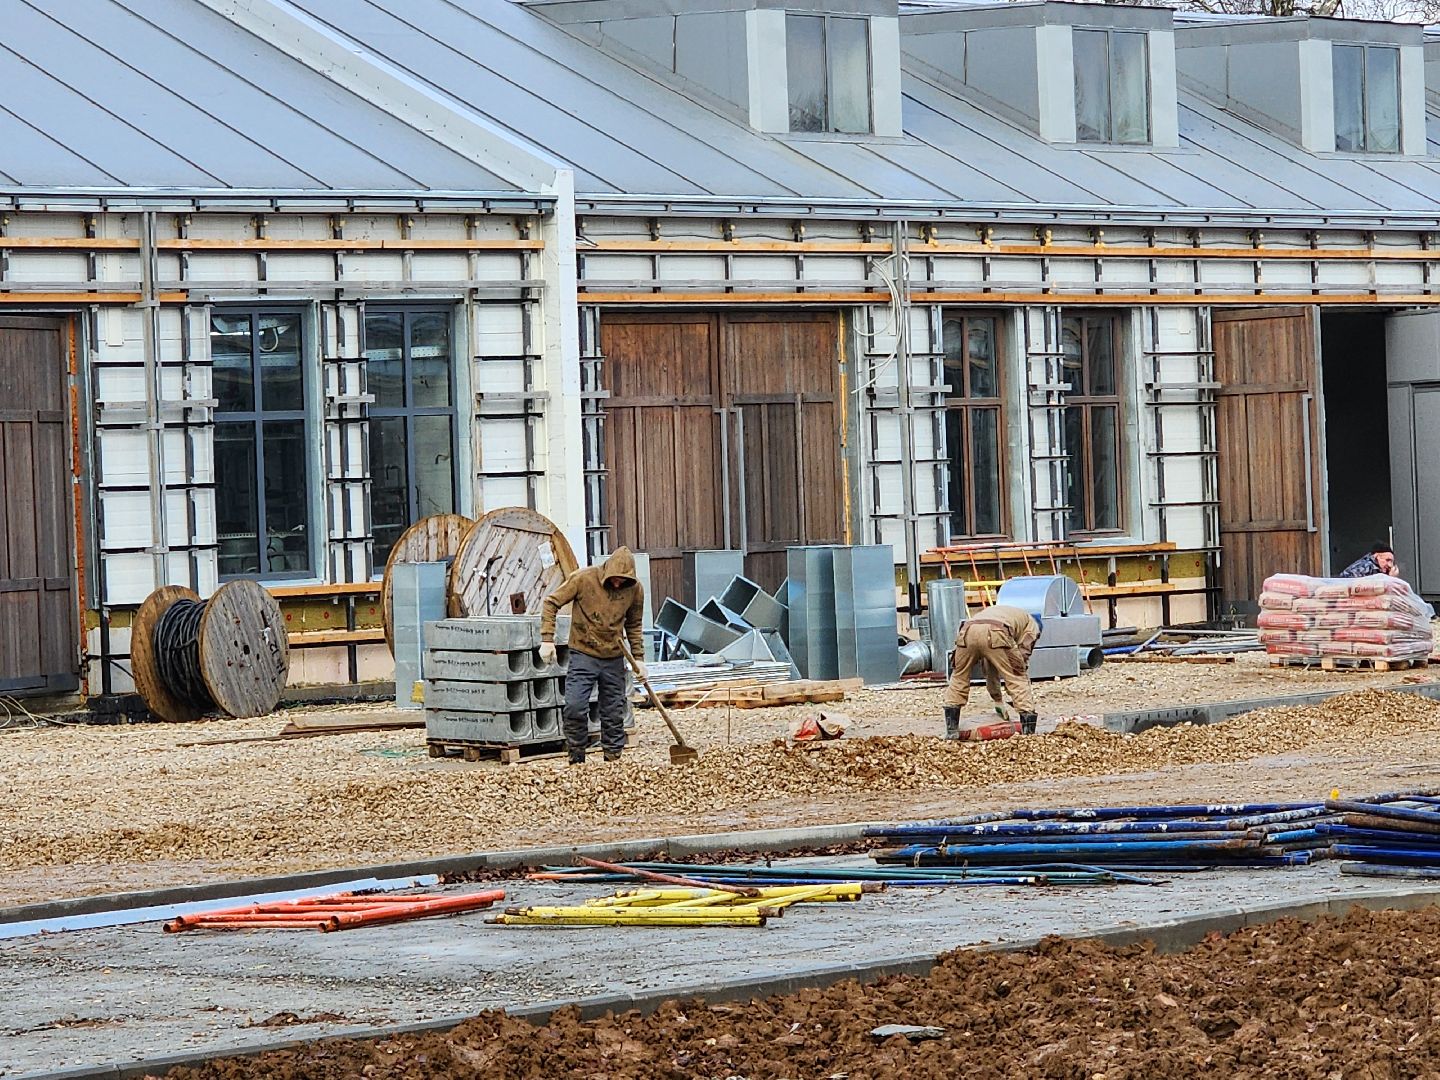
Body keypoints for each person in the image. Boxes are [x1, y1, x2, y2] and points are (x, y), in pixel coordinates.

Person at [539, 547, 646, 765]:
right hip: (583, 654)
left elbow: (634, 624)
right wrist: (547, 639)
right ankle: (577, 757)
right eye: (614, 579)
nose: (617, 584)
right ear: (607, 572)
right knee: (575, 707)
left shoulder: (635, 590)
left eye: (622, 581)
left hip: (614, 657)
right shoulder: (583, 579)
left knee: (613, 712)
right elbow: (551, 603)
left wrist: (639, 659)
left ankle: (613, 758)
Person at [942, 604, 1041, 739]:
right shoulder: (1032, 624)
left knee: (959, 676)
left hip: (967, 631)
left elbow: (990, 666)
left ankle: (951, 729)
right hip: (998, 631)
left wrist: (998, 700)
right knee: (1017, 677)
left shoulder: (1005, 612)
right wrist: (1017, 668)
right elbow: (1022, 657)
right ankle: (1028, 730)